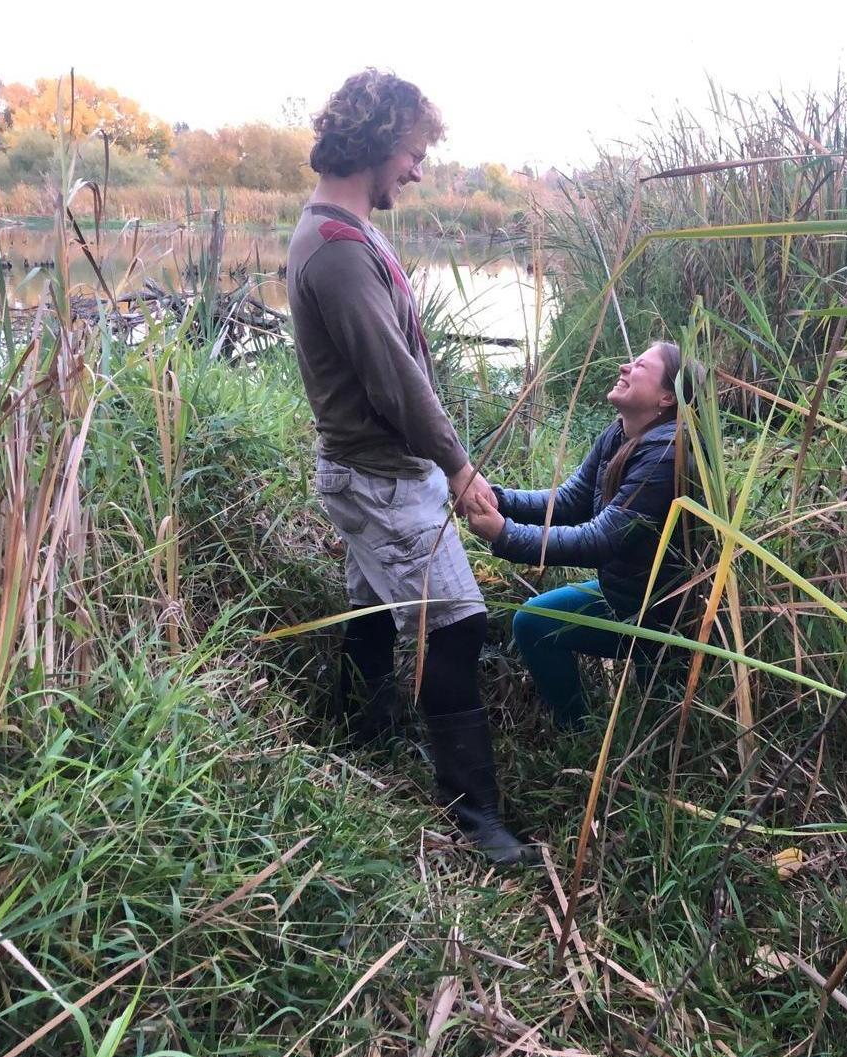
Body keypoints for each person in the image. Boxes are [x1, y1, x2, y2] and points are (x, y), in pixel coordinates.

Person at [286, 69, 534, 865]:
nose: (419, 170)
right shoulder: (334, 249)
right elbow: (396, 381)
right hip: (383, 480)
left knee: (371, 606)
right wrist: (459, 470)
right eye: (414, 152)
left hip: (378, 473)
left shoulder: (347, 231)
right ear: (376, 141)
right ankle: (479, 823)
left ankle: (362, 728)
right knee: (455, 629)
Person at [465, 343, 700, 728]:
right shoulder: (619, 434)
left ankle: (604, 746)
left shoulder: (667, 454)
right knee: (533, 623)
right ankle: (580, 731)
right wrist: (497, 498)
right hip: (622, 593)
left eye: (640, 365)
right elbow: (571, 500)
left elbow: (601, 540)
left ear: (666, 396)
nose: (624, 366)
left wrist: (505, 534)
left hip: (658, 617)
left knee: (661, 727)